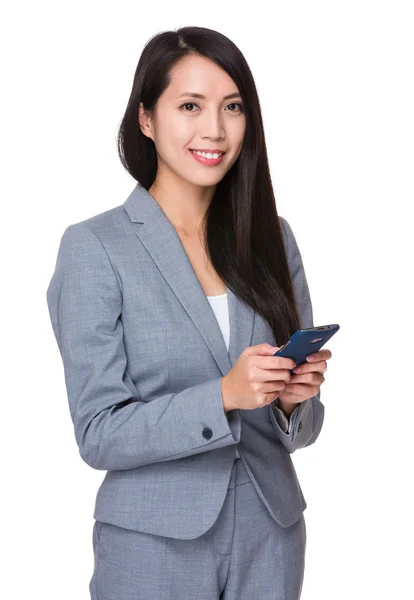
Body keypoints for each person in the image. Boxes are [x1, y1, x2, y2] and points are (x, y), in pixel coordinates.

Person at [46, 25, 332, 600]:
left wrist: (292, 403)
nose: (215, 130)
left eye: (232, 107)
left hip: (270, 536)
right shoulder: (95, 247)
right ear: (146, 119)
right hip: (153, 543)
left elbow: (302, 430)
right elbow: (99, 433)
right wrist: (223, 395)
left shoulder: (273, 238)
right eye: (190, 106)